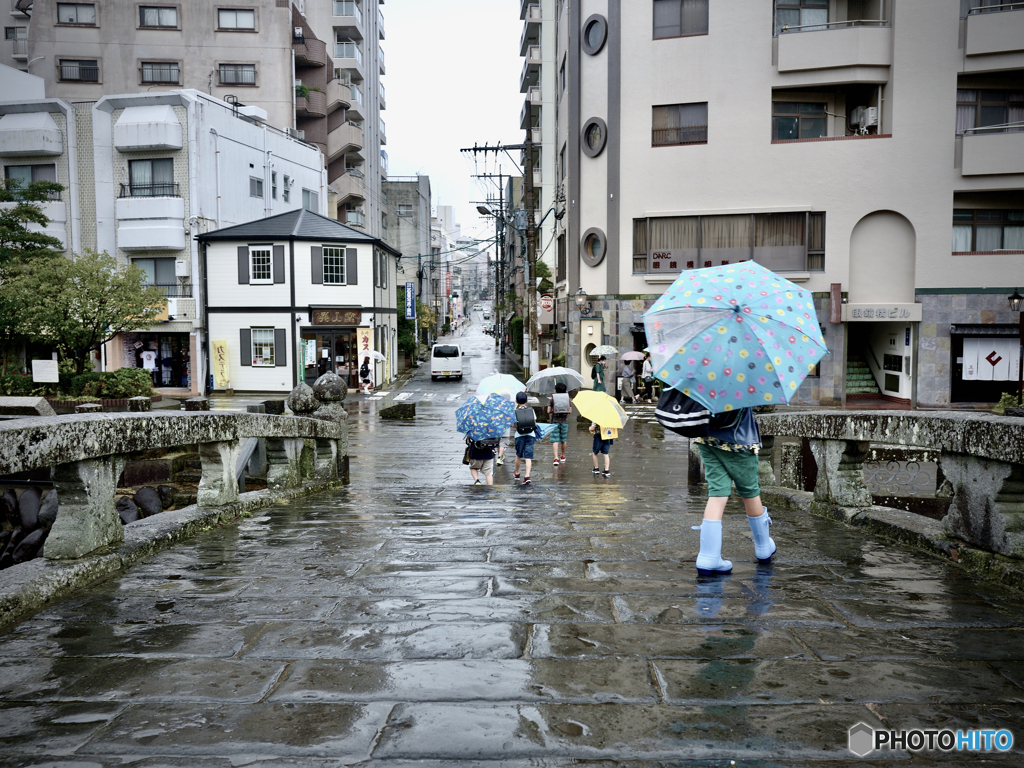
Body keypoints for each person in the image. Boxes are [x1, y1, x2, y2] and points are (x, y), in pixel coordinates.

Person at [692, 407, 776, 576]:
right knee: (749, 492)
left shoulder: (706, 380)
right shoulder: (744, 380)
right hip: (739, 440)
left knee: (717, 493)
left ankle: (708, 556)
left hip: (707, 438)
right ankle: (763, 547)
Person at [513, 391, 542, 484]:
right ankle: (527, 476)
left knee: (518, 455)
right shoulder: (531, 410)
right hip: (530, 435)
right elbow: (534, 423)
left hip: (519, 436)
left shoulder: (515, 411)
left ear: (516, 401)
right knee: (528, 456)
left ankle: (517, 473)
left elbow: (514, 425)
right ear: (527, 400)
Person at [546, 382, 572, 466]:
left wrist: (554, 410)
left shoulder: (552, 399)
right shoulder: (567, 399)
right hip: (564, 422)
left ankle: (556, 458)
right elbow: (570, 411)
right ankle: (563, 456)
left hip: (554, 422)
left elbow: (548, 411)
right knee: (563, 440)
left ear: (556, 391)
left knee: (555, 440)